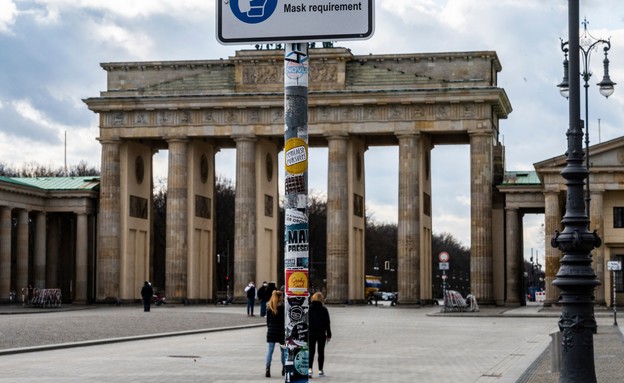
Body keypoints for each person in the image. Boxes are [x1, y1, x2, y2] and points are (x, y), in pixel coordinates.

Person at [308, 291, 332, 378]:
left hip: (310, 333)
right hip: (321, 333)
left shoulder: (309, 309)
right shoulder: (324, 309)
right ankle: (320, 371)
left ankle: (309, 370)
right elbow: (327, 323)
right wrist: (329, 334)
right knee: (321, 352)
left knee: (311, 352)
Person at [265, 290, 285, 378]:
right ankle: (284, 368)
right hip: (281, 331)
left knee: (270, 350)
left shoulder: (269, 307)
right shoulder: (283, 307)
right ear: (280, 297)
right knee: (283, 351)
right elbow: (284, 320)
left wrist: (270, 328)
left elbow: (268, 321)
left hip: (271, 331)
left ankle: (267, 368)